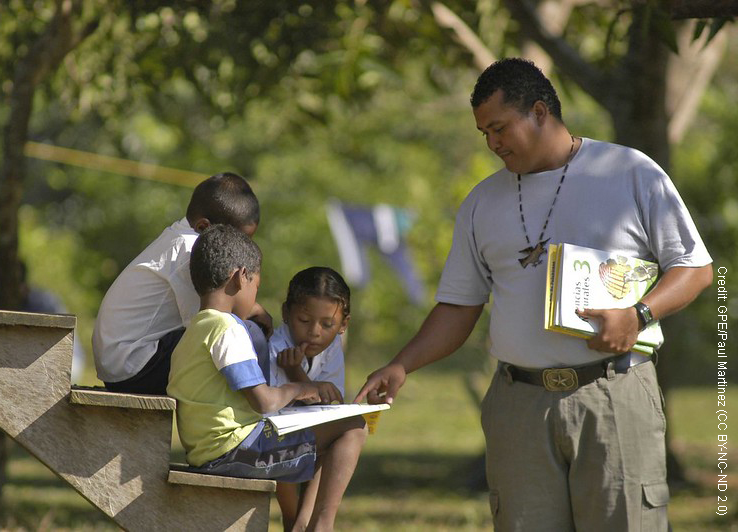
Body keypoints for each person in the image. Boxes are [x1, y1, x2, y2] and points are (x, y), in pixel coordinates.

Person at [356, 58, 713, 531]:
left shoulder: (628, 172)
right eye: (484, 133)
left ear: (540, 111)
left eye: (500, 127)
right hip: (518, 406)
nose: (493, 143)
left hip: (614, 394)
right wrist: (401, 364)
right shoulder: (482, 202)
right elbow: (459, 307)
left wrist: (639, 314)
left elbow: (695, 268)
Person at [167, 224, 367, 531]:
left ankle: (305, 524)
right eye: (256, 286)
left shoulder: (195, 329)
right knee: (354, 425)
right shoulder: (226, 329)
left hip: (210, 450)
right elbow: (263, 400)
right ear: (240, 278)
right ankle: (321, 525)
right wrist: (300, 387)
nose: (256, 297)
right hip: (235, 451)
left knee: (331, 428)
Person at [92, 172, 271, 395]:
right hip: (134, 368)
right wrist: (254, 312)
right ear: (204, 227)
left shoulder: (181, 240)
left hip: (125, 365)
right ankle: (259, 408)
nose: (239, 249)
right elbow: (209, 322)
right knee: (248, 334)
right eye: (236, 239)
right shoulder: (190, 252)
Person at [264, 266, 351, 529]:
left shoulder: (332, 345)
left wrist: (298, 375)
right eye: (304, 320)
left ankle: (316, 522)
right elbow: (273, 412)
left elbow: (329, 403)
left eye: (328, 324)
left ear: (343, 325)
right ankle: (295, 521)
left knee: (351, 431)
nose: (315, 332)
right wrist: (293, 370)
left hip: (307, 435)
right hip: (272, 438)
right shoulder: (277, 349)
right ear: (286, 314)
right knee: (292, 446)